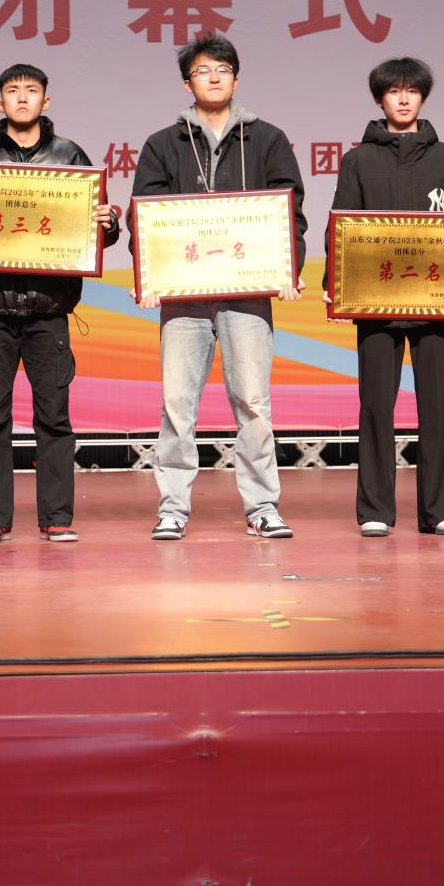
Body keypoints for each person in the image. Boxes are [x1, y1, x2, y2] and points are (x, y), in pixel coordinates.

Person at [0, 65, 120, 544]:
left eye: (31, 91)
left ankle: (57, 517)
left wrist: (108, 223)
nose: (21, 98)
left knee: (54, 419)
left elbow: (97, 233)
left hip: (48, 311)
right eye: (12, 91)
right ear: (0, 103)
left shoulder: (70, 157)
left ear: (45, 101)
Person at [130, 31, 306, 541]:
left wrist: (287, 268)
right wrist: (149, 275)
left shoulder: (268, 139)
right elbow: (146, 217)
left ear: (236, 79)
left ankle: (263, 506)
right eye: (203, 70)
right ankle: (172, 507)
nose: (214, 77)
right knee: (177, 405)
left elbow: (289, 212)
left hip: (247, 294)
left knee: (253, 402)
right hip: (184, 298)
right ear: (187, 83)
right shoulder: (163, 144)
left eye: (223, 69)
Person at [324, 56, 444, 537]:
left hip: (434, 303)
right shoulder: (358, 160)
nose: (404, 99)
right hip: (375, 304)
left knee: (436, 407)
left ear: (423, 98)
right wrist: (336, 287)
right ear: (380, 99)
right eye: (394, 91)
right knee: (375, 407)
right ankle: (375, 510)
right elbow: (340, 226)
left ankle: (439, 510)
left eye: (412, 90)